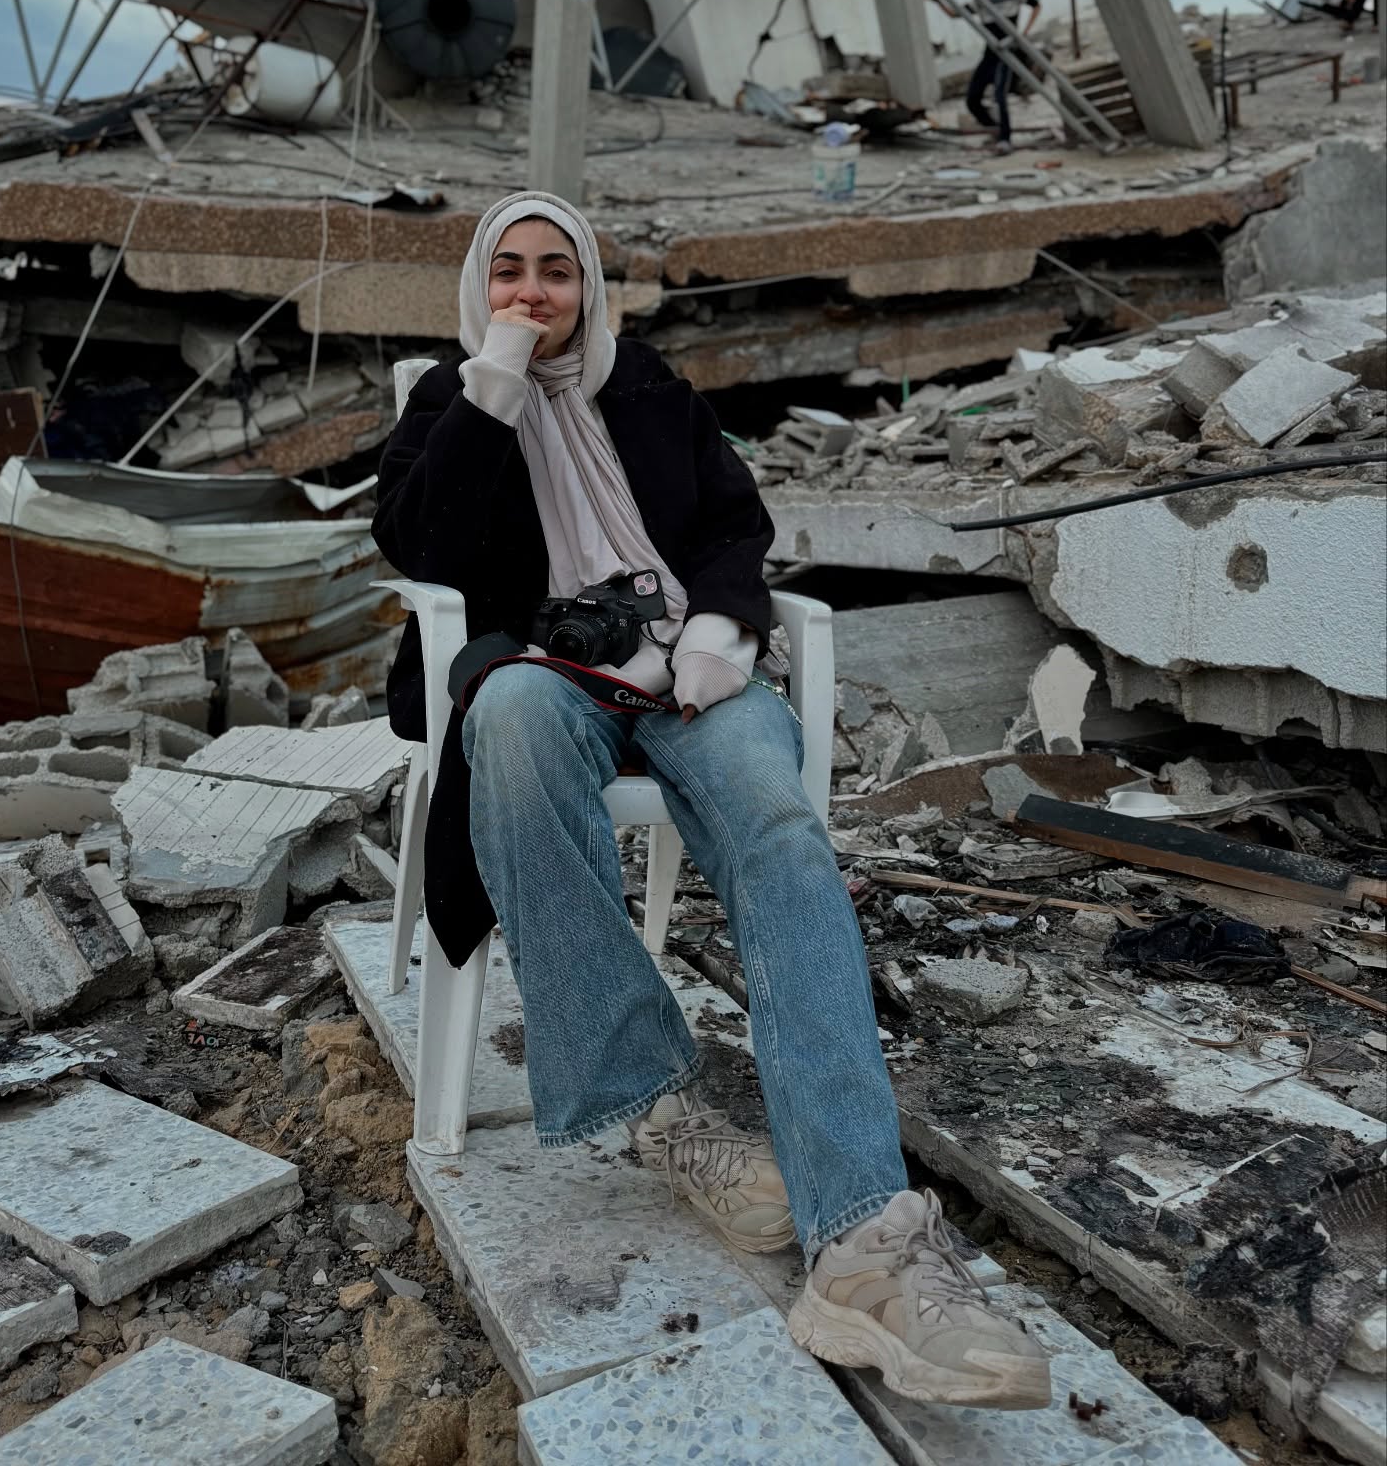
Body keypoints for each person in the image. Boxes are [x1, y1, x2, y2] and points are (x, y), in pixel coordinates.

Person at [373, 190, 1052, 1412]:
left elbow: (737, 521)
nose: (534, 293)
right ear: (481, 287)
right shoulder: (445, 400)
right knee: (515, 719)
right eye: (511, 273)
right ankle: (657, 1105)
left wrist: (726, 630)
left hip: (690, 672)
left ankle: (863, 1241)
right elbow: (429, 552)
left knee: (780, 823)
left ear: (591, 285)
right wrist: (493, 389)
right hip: (544, 672)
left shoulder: (649, 387)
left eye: (556, 274)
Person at [934, 0, 1039, 151]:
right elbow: (956, 14)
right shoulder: (981, 0)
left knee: (1000, 94)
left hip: (1009, 50)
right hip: (991, 51)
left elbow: (1036, 4)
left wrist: (1024, 33)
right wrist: (937, 1)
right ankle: (994, 127)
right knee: (972, 97)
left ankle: (1005, 138)